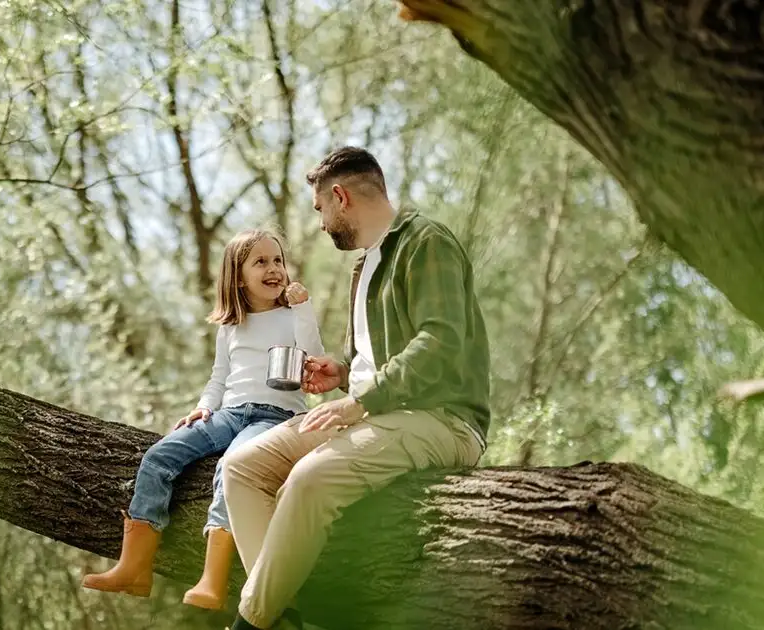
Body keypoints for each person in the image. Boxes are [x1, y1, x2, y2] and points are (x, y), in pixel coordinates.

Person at [222, 147, 491, 630]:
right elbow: (371, 358)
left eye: (320, 209)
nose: (321, 223)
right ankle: (286, 616)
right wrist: (341, 372)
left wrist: (360, 401)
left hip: (441, 419)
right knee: (241, 468)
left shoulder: (425, 242)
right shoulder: (365, 265)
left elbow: (440, 343)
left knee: (308, 480)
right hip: (376, 413)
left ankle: (252, 624)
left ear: (340, 196)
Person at [80, 228, 325, 611]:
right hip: (229, 413)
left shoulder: (292, 317)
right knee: (159, 455)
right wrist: (204, 406)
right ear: (238, 277)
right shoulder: (230, 327)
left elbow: (315, 355)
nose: (274, 268)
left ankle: (212, 579)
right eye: (260, 262)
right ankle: (134, 568)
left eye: (278, 260)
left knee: (232, 468)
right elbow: (219, 377)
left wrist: (304, 308)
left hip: (277, 417)